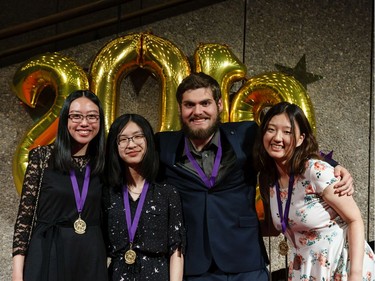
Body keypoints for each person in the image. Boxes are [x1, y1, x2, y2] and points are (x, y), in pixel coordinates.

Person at [155, 72, 355, 280]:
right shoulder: (164, 146)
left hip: (247, 262)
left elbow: (287, 148)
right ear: (180, 108)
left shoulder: (245, 134)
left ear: (219, 105)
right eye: (189, 105)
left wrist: (335, 165)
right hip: (196, 267)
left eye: (205, 103)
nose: (198, 111)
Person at [253, 101, 375, 280]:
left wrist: (354, 274)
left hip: (341, 265)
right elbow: (278, 226)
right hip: (305, 268)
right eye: (271, 129)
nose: (277, 138)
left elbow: (354, 220)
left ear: (301, 139)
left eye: (287, 132)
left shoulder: (315, 171)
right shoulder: (269, 180)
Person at [12, 90, 108, 281]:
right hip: (48, 252)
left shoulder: (104, 164)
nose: (84, 123)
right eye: (76, 116)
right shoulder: (42, 157)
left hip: (90, 257)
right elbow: (25, 217)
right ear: (65, 120)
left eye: (92, 117)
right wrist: (17, 271)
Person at [103, 113, 185, 281]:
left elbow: (176, 249)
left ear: (148, 140)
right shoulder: (107, 194)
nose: (131, 144)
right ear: (115, 147)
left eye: (138, 136)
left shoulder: (168, 193)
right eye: (123, 139)